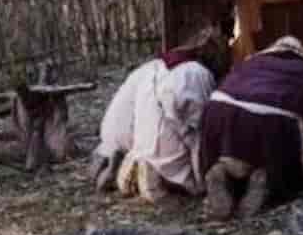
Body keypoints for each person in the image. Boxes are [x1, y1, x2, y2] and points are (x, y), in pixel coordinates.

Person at [198, 36, 303, 220]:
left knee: (233, 151)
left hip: (218, 108)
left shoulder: (248, 63)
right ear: (302, 54)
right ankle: (267, 177)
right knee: (281, 161)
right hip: (272, 116)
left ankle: (223, 170)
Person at [92, 26, 230, 203]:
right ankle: (162, 180)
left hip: (133, 150)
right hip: (169, 162)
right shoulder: (196, 74)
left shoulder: (157, 68)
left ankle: (130, 169)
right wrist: (201, 178)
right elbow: (198, 130)